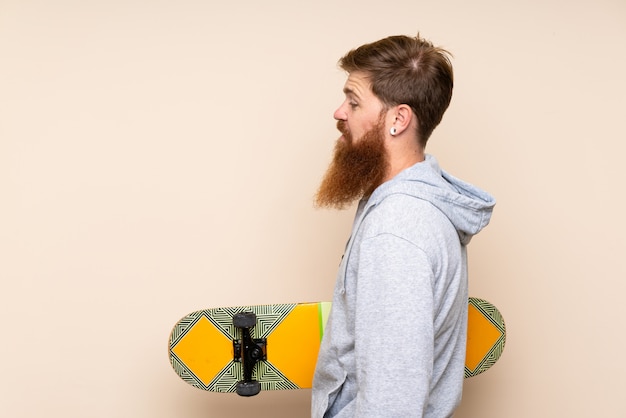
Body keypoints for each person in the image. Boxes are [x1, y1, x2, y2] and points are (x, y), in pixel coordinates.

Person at [311, 34, 496, 417]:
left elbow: (391, 404)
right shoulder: (417, 210)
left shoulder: (396, 231)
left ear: (398, 119)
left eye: (354, 101)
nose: (339, 112)